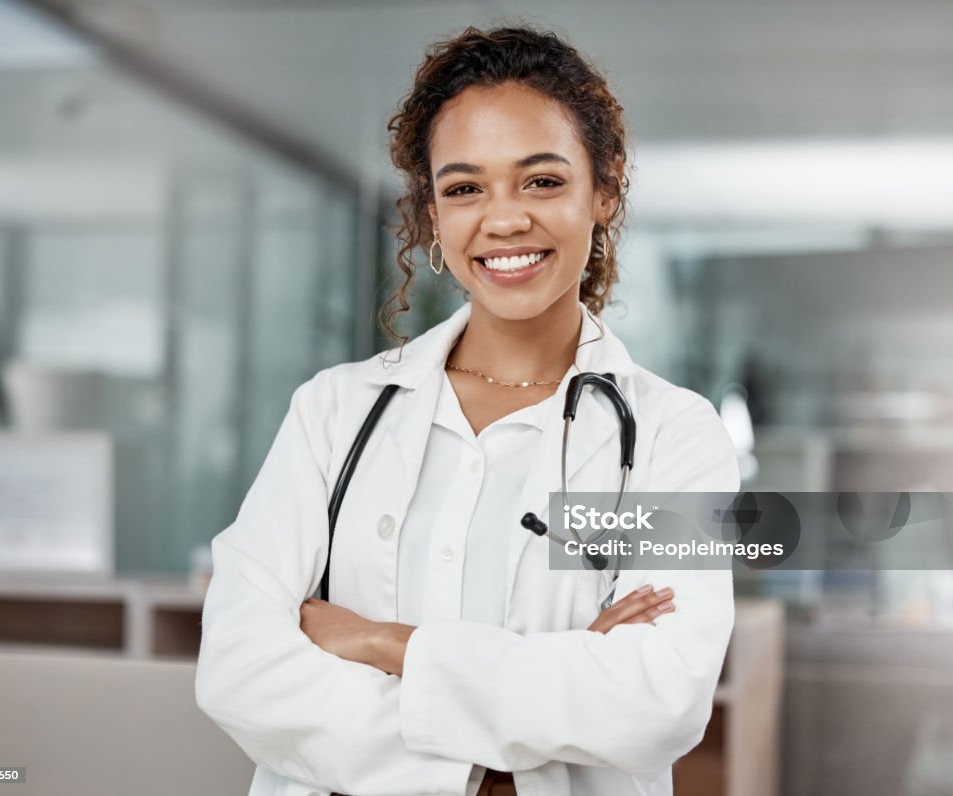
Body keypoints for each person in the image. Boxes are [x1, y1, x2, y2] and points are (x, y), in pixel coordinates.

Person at [196, 25, 740, 796]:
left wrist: (385, 643)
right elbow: (239, 670)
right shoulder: (335, 412)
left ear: (606, 186)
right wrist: (489, 767)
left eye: (542, 181)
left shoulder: (671, 437)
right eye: (464, 188)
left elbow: (656, 701)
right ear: (433, 214)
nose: (504, 219)